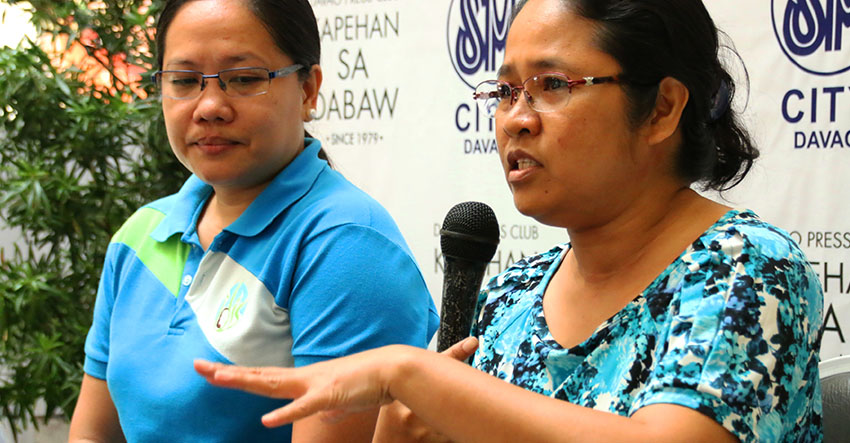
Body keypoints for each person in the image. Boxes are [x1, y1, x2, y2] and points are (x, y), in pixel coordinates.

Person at [195, 0, 824, 441]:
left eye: (552, 85)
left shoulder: (743, 266)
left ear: (661, 109)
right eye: (505, 92)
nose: (515, 119)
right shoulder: (515, 295)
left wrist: (407, 373)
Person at [68, 0, 439, 441]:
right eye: (184, 81)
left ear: (308, 90)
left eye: (243, 79)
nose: (208, 107)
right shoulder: (140, 234)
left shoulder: (346, 244)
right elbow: (92, 433)